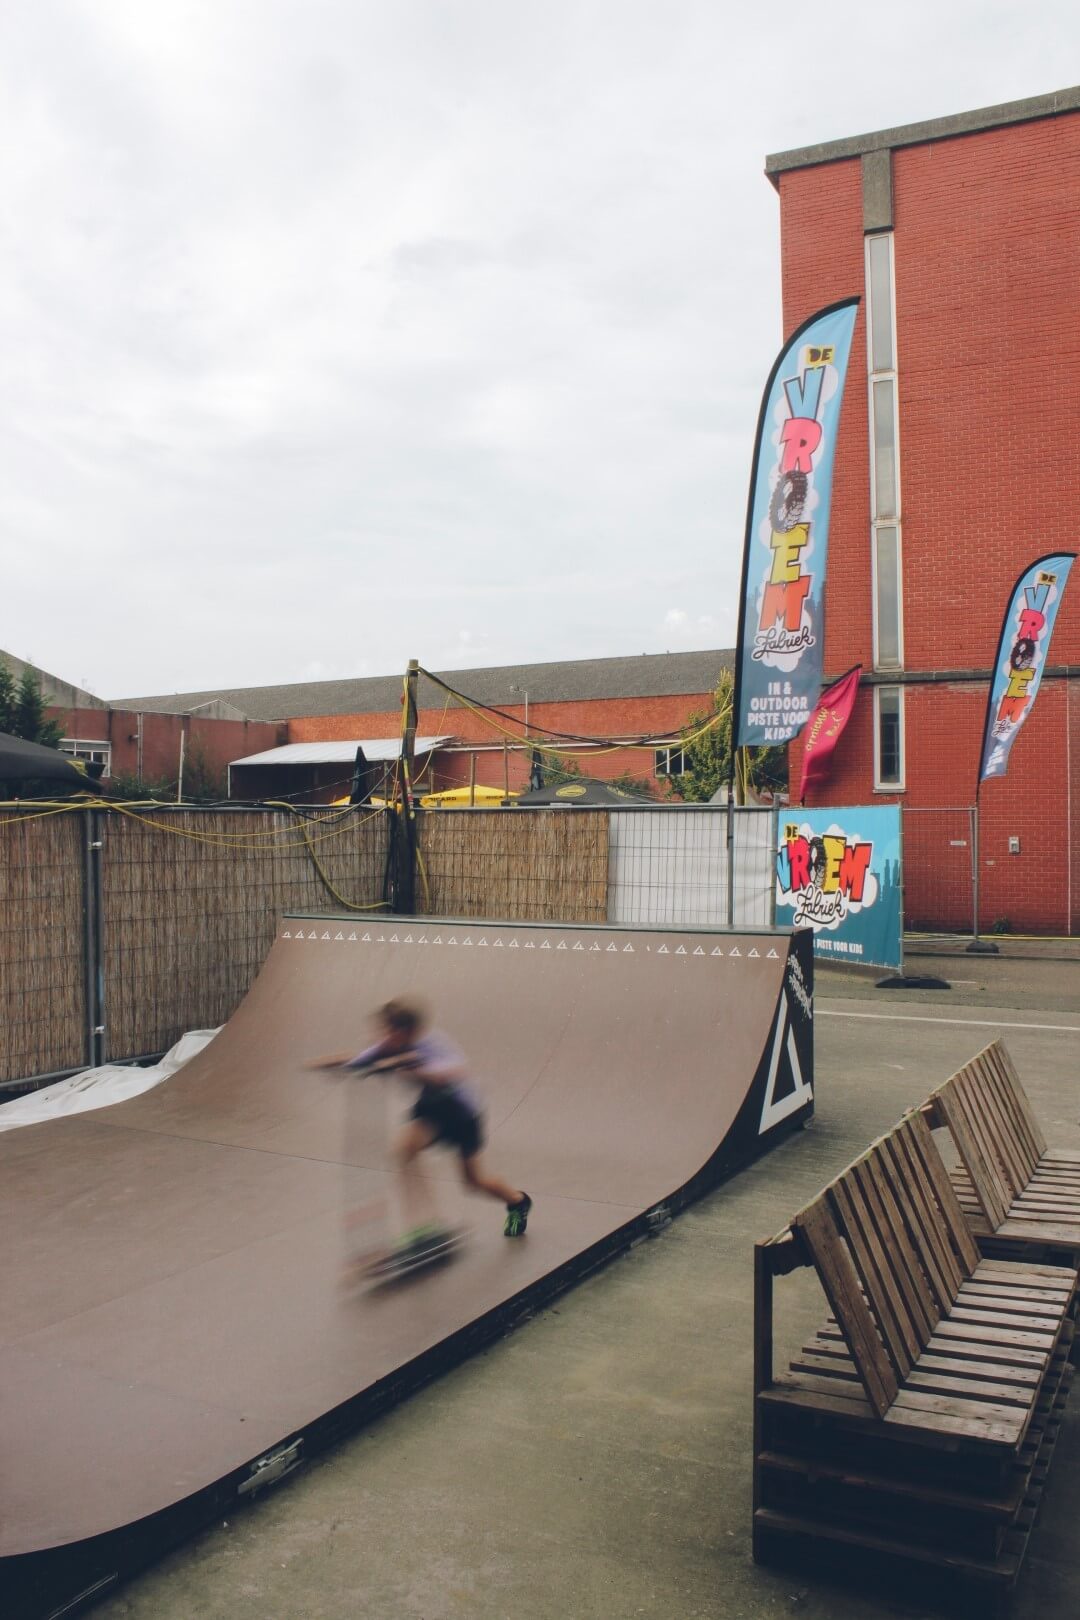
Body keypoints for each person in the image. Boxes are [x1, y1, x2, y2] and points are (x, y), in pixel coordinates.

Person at [310, 998, 532, 1246]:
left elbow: (454, 1072)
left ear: (407, 1031)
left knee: (473, 1182)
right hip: (431, 1109)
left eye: (389, 1030)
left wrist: (409, 1067)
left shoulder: (433, 1045)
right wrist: (325, 1064)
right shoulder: (388, 1046)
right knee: (403, 1150)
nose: (382, 1035)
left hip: (462, 1112)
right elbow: (357, 1061)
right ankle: (426, 1224)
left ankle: (517, 1202)